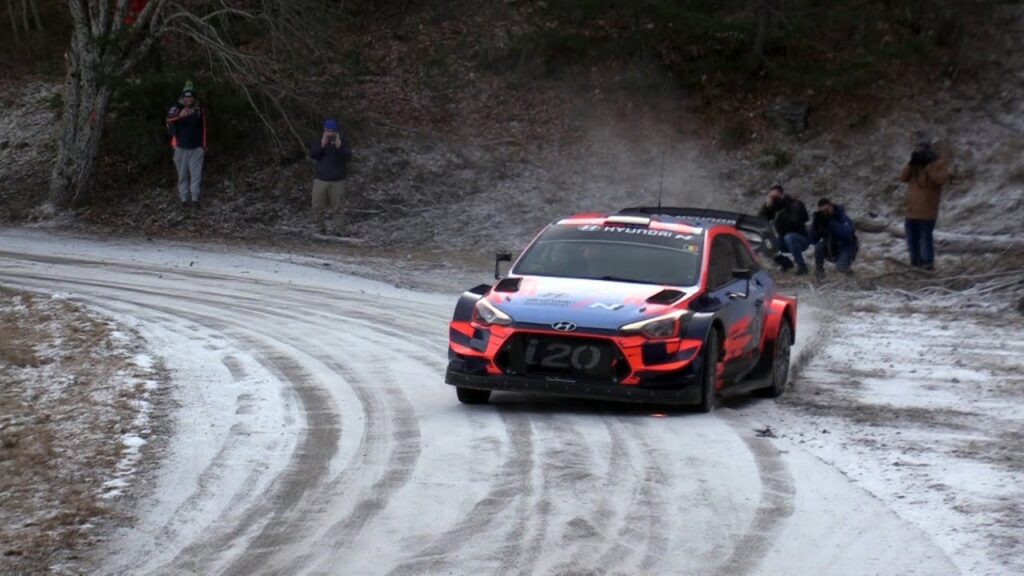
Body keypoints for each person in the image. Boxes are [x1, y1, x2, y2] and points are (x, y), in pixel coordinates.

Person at [899, 138, 950, 270]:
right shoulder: (915, 165)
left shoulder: (938, 164)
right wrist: (911, 162)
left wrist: (929, 165)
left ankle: (928, 265)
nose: (920, 152)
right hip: (911, 211)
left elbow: (941, 180)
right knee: (912, 240)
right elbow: (903, 177)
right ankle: (915, 263)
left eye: (923, 150)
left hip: (927, 211)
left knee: (925, 240)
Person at [165, 81, 207, 208]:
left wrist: (203, 145)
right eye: (186, 97)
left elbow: (203, 128)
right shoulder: (176, 107)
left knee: (196, 175)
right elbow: (169, 118)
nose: (189, 99)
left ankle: (195, 198)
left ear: (194, 97)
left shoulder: (198, 109)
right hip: (180, 147)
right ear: (183, 97)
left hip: (196, 148)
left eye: (191, 97)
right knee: (182, 175)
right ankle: (184, 199)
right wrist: (180, 115)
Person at [309, 119, 352, 234]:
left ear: (336, 131)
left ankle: (339, 230)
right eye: (328, 130)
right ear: (324, 130)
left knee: (338, 207)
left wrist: (339, 147)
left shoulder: (343, 141)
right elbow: (313, 154)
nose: (330, 133)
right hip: (320, 179)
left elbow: (348, 157)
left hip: (338, 180)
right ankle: (319, 228)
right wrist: (322, 145)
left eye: (333, 131)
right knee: (317, 205)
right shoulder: (319, 140)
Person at [757, 185, 811, 275]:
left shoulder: (796, 204)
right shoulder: (775, 208)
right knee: (767, 244)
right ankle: (786, 263)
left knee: (789, 237)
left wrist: (781, 206)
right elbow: (761, 221)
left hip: (802, 239)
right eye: (771, 197)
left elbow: (794, 222)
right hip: (784, 240)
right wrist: (767, 207)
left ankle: (802, 267)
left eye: (775, 196)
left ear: (782, 195)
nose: (774, 199)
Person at [810, 198, 858, 280]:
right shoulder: (822, 219)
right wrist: (816, 227)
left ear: (831, 206)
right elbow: (813, 240)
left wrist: (831, 224)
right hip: (831, 246)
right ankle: (819, 271)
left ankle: (848, 271)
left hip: (847, 246)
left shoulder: (842, 216)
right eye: (823, 211)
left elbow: (847, 234)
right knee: (818, 246)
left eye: (826, 210)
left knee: (840, 267)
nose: (825, 212)